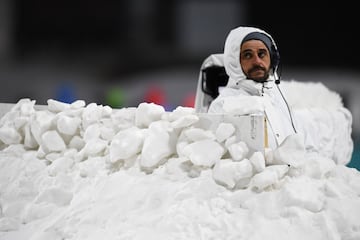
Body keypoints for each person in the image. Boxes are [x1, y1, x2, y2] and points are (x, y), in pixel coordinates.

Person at [208, 26, 297, 150]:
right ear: (235, 62)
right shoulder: (222, 105)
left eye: (262, 54)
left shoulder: (280, 99)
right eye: (248, 55)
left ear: (273, 59)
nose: (257, 62)